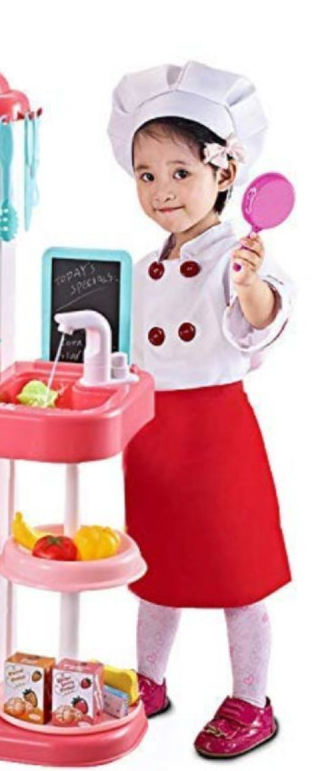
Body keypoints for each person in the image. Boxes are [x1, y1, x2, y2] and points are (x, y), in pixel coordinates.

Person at [107, 61, 294, 759]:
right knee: (155, 571)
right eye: (146, 174)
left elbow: (264, 319)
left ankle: (253, 701)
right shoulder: (136, 267)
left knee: (238, 576)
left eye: (180, 172)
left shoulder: (236, 258)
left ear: (225, 173)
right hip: (150, 434)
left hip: (216, 435)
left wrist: (248, 285)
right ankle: (149, 680)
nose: (161, 191)